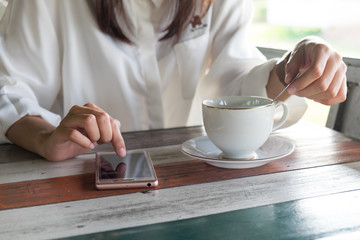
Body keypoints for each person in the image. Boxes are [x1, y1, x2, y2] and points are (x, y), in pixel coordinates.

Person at [0, 0, 347, 161]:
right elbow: (8, 86)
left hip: (190, 172)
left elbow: (238, 82)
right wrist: (47, 137)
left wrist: (290, 67)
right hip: (79, 177)